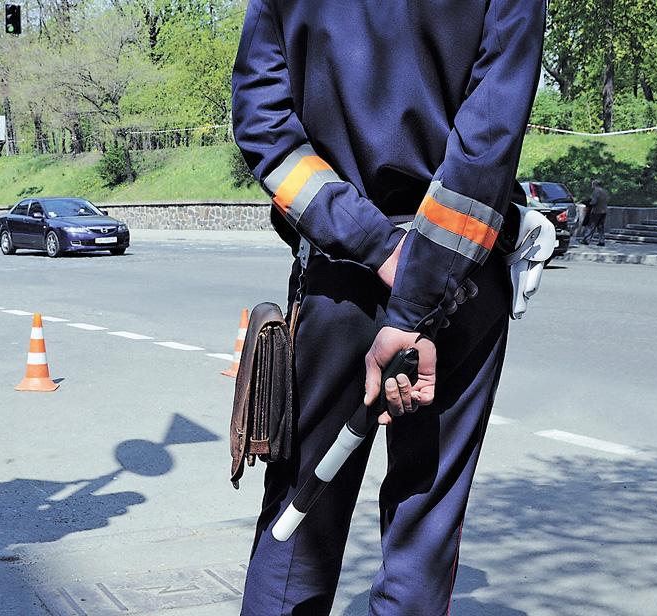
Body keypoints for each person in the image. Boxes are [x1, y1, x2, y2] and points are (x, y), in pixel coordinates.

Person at [230, 1, 545, 615]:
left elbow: (264, 124)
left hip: (337, 280)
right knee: (422, 529)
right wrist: (418, 292)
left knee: (299, 520)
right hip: (460, 283)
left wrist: (371, 244)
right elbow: (486, 143)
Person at [580, 180, 609, 246]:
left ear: (594, 185)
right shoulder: (604, 191)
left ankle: (586, 240)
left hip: (596, 211)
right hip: (604, 211)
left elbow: (594, 202)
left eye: (592, 185)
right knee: (601, 226)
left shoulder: (596, 191)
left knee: (591, 226)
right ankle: (602, 241)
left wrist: (589, 203)